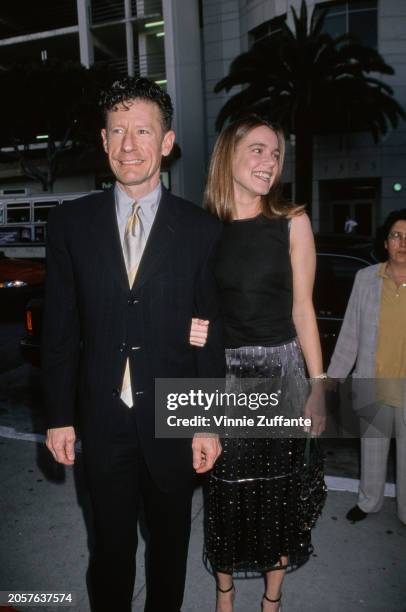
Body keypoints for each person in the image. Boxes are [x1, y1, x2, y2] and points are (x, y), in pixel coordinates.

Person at [43, 77, 225, 612]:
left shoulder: (200, 230)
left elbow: (210, 337)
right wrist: (58, 415)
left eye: (142, 131)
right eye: (117, 131)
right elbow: (60, 330)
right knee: (110, 550)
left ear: (166, 142)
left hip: (173, 414)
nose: (129, 145)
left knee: (170, 551)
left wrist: (208, 420)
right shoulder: (70, 224)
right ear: (102, 140)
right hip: (100, 418)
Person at [190, 115, 326, 612]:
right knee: (224, 490)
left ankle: (272, 599)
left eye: (275, 154)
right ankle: (224, 593)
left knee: (281, 494)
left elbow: (303, 309)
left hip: (284, 372)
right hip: (225, 377)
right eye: (258, 150)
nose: (268, 162)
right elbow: (197, 310)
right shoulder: (203, 228)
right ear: (229, 152)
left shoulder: (292, 221)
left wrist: (319, 386)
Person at [328, 209, 406, 525]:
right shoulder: (366, 279)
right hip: (373, 382)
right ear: (385, 242)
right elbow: (350, 333)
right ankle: (368, 502)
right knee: (371, 450)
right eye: (396, 235)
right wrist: (332, 379)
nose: (403, 242)